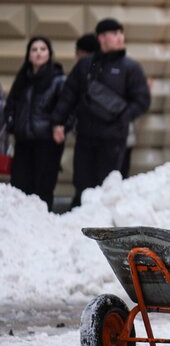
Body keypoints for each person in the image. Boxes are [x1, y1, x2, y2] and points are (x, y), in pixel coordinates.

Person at [51, 18, 151, 208]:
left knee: (107, 187)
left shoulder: (130, 67)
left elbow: (142, 100)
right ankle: (79, 224)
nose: (120, 37)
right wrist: (58, 122)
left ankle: (104, 229)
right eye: (114, 33)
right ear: (102, 38)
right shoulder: (85, 65)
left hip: (113, 140)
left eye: (121, 33)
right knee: (82, 184)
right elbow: (69, 95)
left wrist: (123, 117)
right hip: (86, 137)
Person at [2, 37, 67, 210]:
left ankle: (42, 226)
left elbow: (66, 108)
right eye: (34, 49)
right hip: (23, 140)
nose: (38, 52)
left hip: (46, 141)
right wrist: (10, 122)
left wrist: (59, 126)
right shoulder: (23, 78)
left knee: (43, 187)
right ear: (29, 55)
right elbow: (11, 104)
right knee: (20, 185)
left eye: (43, 49)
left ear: (49, 54)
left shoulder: (58, 79)